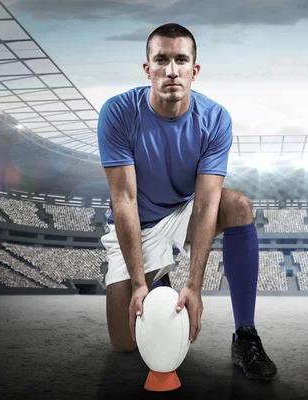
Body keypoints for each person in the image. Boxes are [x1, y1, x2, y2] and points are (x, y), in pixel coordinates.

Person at [97, 23, 277, 381]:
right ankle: (155, 281)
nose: (171, 70)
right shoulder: (118, 112)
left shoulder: (215, 119)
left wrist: (194, 286)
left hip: (184, 210)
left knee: (237, 204)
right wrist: (137, 284)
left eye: (181, 59)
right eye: (161, 60)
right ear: (147, 69)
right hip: (140, 222)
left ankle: (245, 334)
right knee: (123, 341)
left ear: (194, 70)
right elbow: (125, 200)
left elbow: (208, 205)